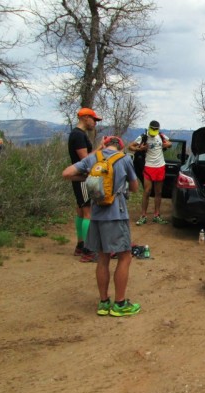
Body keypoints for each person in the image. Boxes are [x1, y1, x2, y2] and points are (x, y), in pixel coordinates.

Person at [62, 136, 141, 317]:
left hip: (96, 216)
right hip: (116, 215)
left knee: (103, 258)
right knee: (125, 257)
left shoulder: (93, 158)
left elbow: (66, 173)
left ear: (105, 145)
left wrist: (87, 176)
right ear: (120, 147)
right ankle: (120, 304)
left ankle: (103, 303)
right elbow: (135, 187)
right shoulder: (124, 159)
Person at [68, 107, 102, 262]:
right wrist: (100, 149)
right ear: (85, 118)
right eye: (93, 119)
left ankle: (80, 245)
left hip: (79, 178)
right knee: (88, 212)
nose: (94, 123)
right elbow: (85, 160)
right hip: (82, 178)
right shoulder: (78, 135)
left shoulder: (77, 134)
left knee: (81, 211)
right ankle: (88, 250)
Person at [128, 120, 172, 225]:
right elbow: (130, 147)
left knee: (158, 192)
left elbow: (170, 143)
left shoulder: (161, 136)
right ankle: (143, 216)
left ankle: (157, 215)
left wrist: (167, 145)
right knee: (147, 191)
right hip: (148, 167)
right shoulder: (143, 136)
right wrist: (140, 148)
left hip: (160, 166)